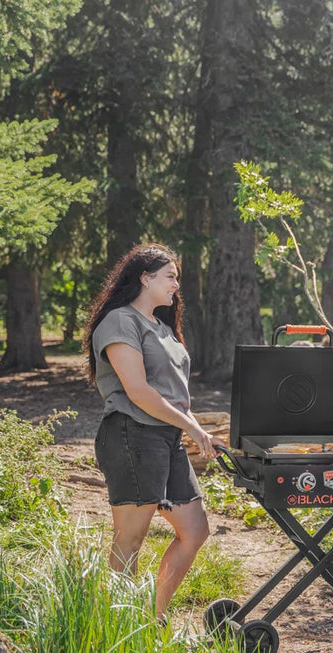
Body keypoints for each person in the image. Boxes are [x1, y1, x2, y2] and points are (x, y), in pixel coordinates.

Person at [83, 243, 224, 622]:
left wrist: (189, 425)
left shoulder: (163, 327)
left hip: (166, 437)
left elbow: (175, 391)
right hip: (132, 434)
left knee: (194, 531)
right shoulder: (119, 322)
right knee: (129, 541)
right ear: (145, 278)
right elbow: (139, 391)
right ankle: (117, 628)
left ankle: (150, 615)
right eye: (170, 276)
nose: (177, 285)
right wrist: (194, 429)